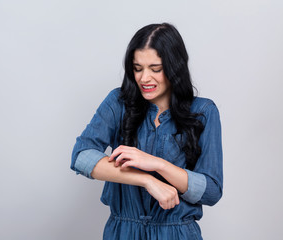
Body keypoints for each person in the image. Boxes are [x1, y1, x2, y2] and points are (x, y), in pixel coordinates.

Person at [71, 23, 223, 240]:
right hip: (122, 232)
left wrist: (158, 164)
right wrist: (147, 180)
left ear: (175, 68)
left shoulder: (203, 111)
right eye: (137, 68)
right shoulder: (118, 102)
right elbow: (81, 156)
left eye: (156, 69)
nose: (144, 78)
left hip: (177, 233)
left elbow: (211, 191)